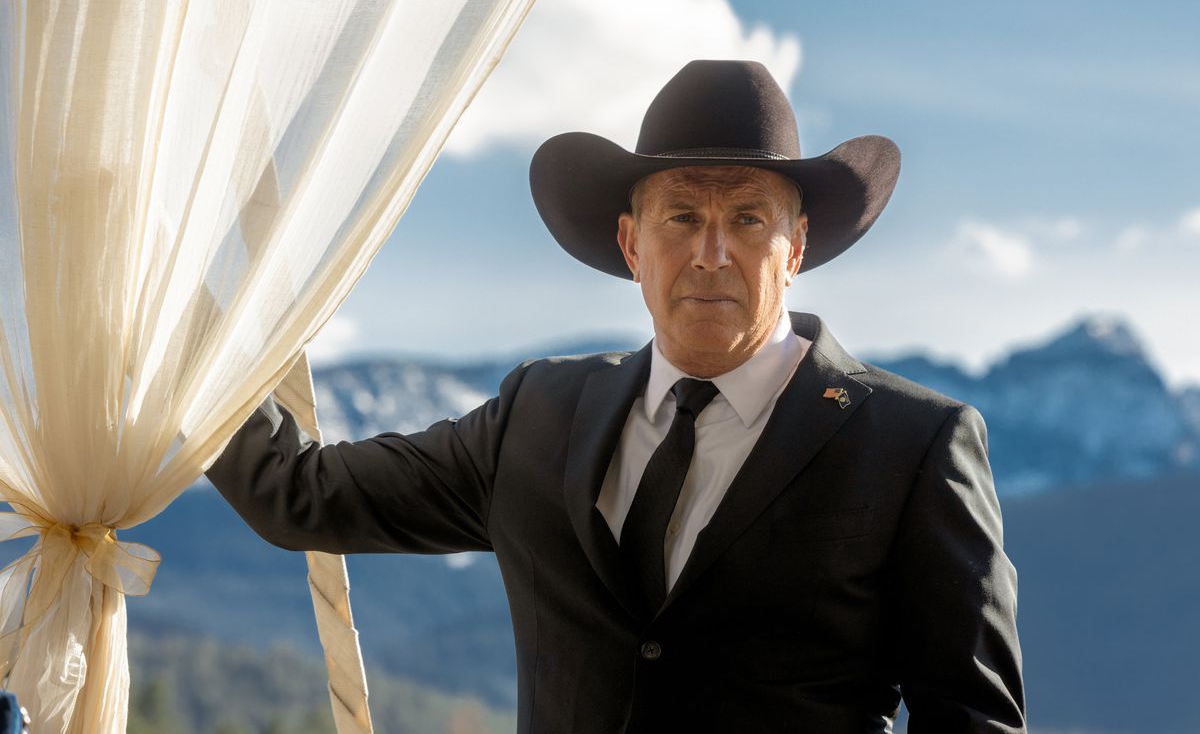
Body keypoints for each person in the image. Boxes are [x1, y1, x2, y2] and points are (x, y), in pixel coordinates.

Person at [207, 60, 1026, 733]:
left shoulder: (912, 446)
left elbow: (974, 724)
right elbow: (298, 495)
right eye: (680, 216)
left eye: (747, 219)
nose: (711, 253)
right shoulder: (538, 415)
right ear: (633, 244)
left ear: (797, 246)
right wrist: (175, 320)